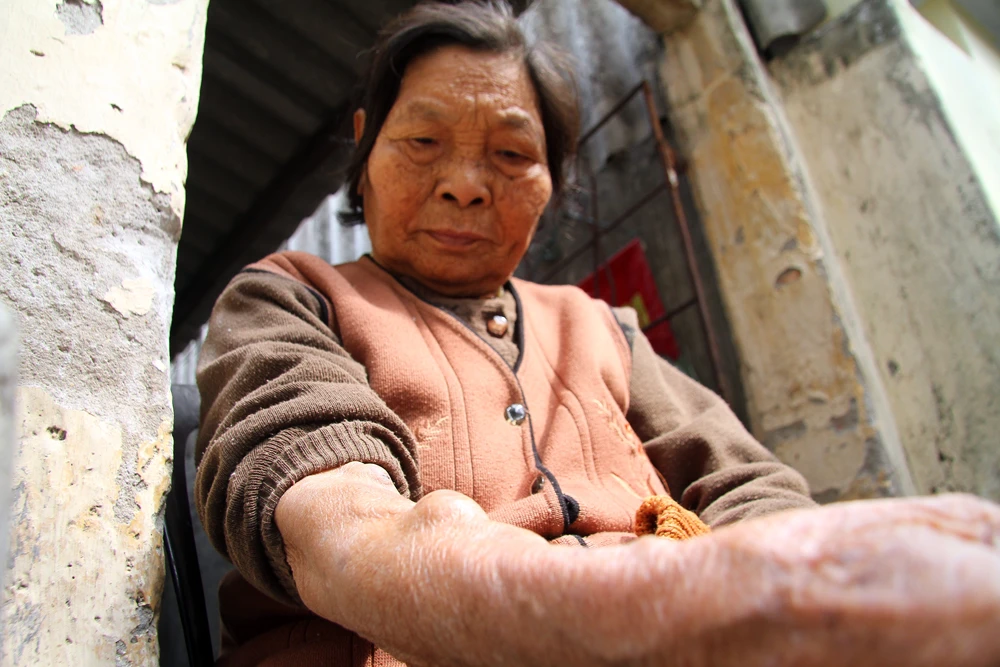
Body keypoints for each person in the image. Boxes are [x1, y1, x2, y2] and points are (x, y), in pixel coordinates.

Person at [193, 2, 1000, 665]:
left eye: (512, 153)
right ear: (367, 146)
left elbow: (750, 487)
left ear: (552, 179)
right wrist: (666, 607)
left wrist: (809, 587)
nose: (466, 185)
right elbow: (339, 531)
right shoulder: (288, 295)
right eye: (423, 141)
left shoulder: (602, 327)